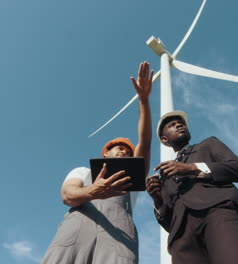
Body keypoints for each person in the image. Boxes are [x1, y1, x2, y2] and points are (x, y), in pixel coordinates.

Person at [42, 62, 153, 264]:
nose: (124, 152)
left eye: (128, 152)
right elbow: (67, 195)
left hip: (120, 239)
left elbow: (145, 142)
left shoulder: (132, 184)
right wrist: (93, 191)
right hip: (75, 233)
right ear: (106, 153)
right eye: (119, 148)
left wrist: (144, 100)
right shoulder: (82, 171)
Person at [146, 110, 238, 264]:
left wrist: (193, 168)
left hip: (217, 213)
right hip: (182, 237)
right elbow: (168, 221)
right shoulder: (165, 175)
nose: (179, 125)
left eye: (181, 123)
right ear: (165, 139)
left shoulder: (209, 144)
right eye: (172, 125)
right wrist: (157, 200)